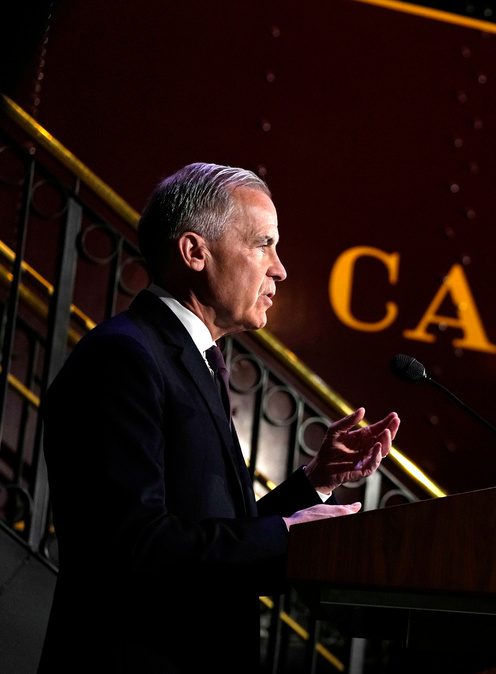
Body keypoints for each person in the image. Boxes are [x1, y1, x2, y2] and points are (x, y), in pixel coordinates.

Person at [38, 162, 401, 672]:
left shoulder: (192, 359)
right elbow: (134, 546)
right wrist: (287, 537)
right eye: (263, 244)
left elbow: (217, 532)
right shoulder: (123, 358)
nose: (280, 269)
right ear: (194, 252)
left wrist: (314, 483)